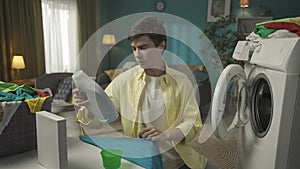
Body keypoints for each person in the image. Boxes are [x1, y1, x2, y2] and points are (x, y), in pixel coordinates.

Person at [73, 16, 218, 169]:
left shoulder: (181, 81)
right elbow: (103, 117)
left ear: (161, 46)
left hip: (178, 160)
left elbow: (193, 123)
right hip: (138, 161)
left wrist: (166, 134)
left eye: (143, 48)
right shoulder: (123, 81)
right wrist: (90, 106)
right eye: (134, 49)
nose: (137, 54)